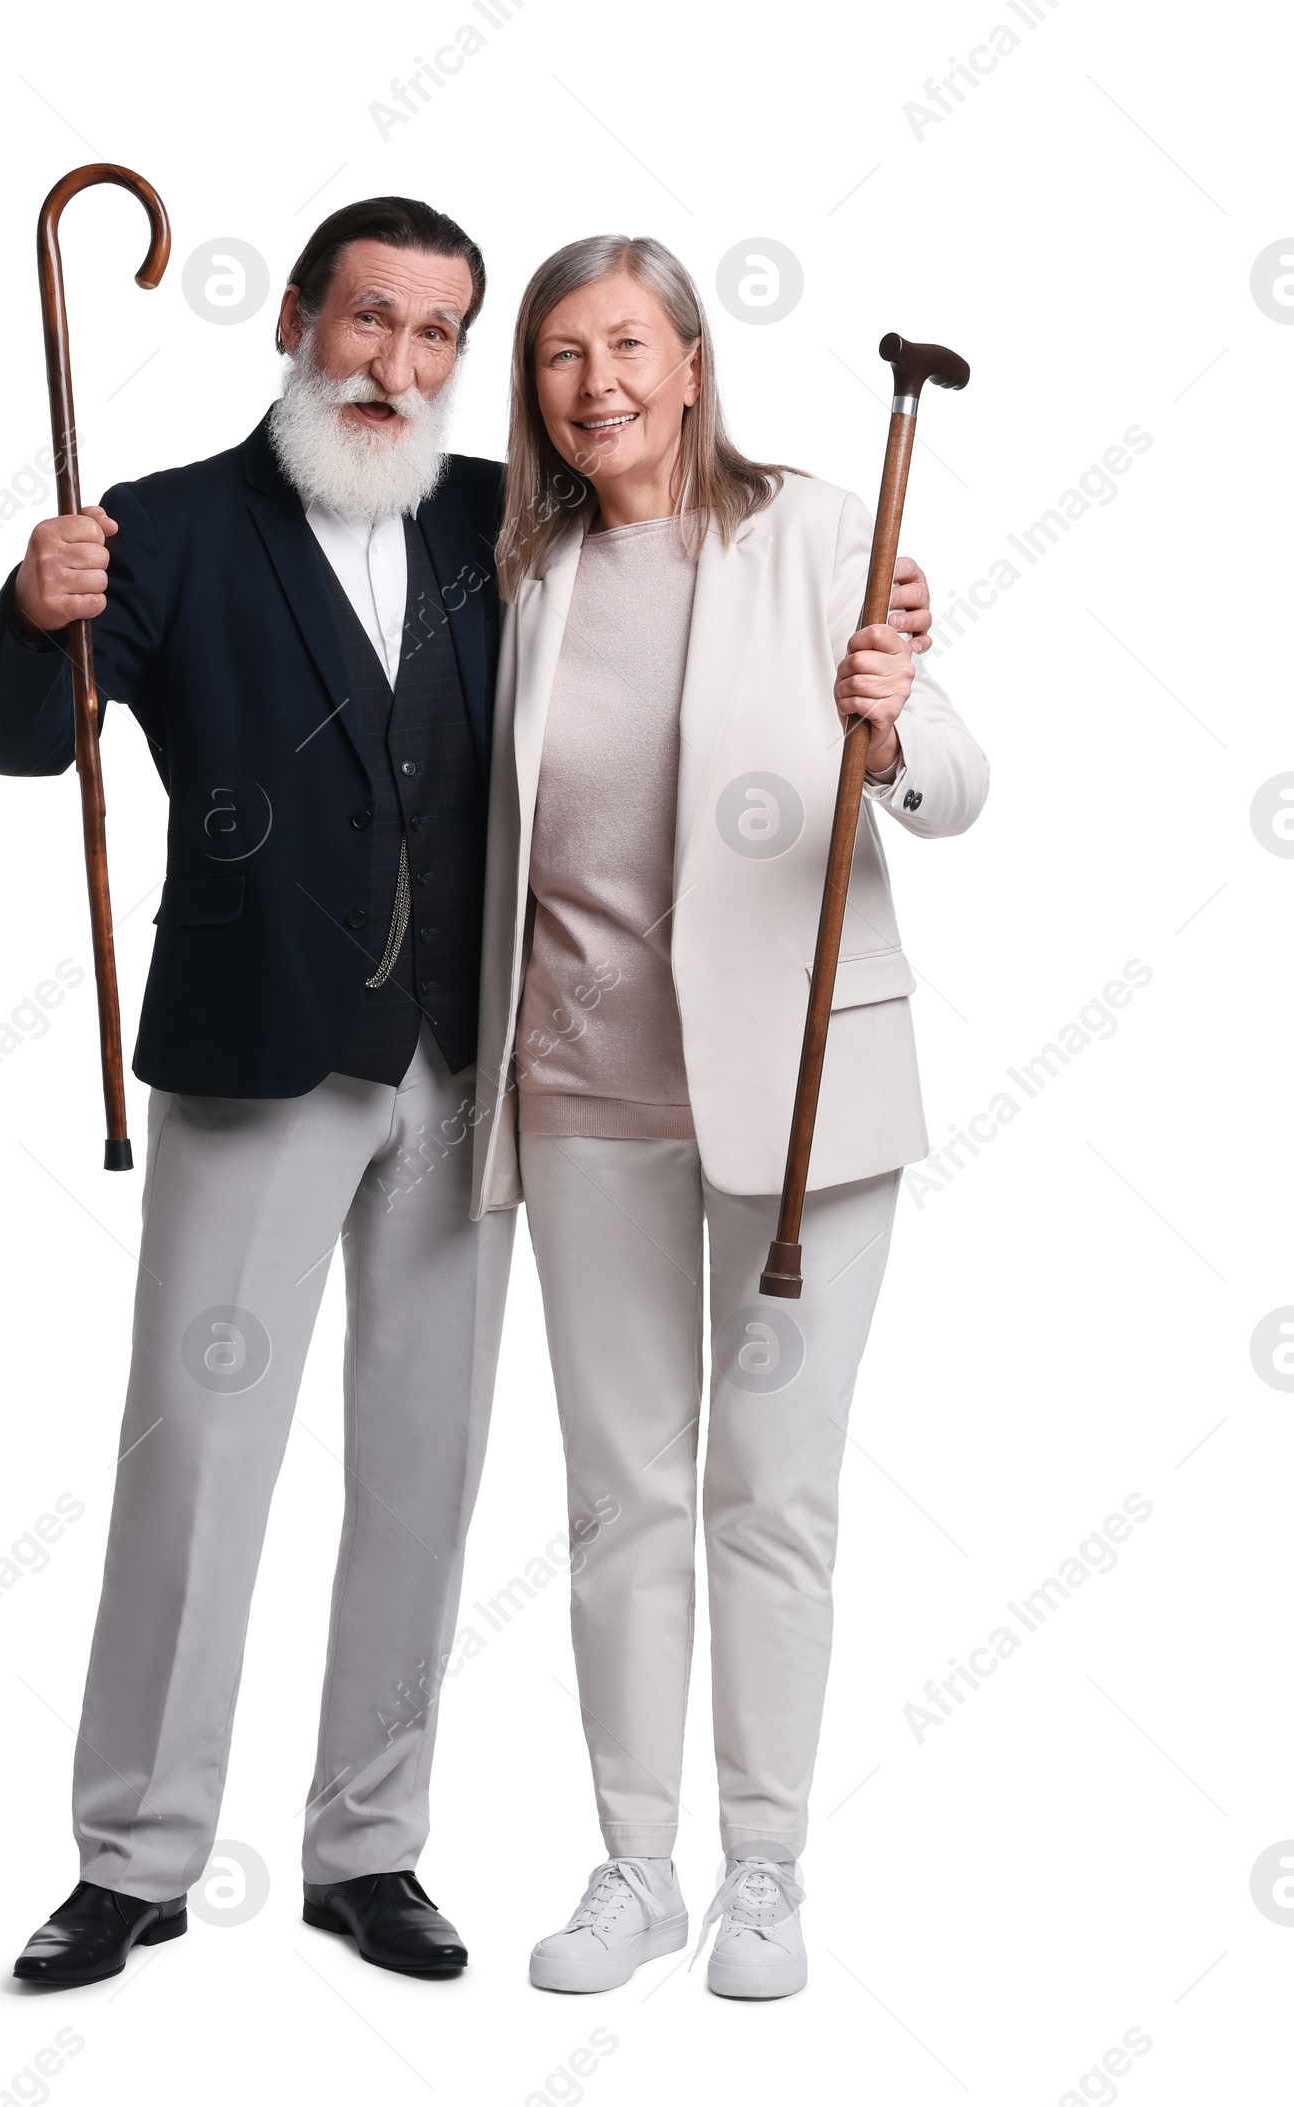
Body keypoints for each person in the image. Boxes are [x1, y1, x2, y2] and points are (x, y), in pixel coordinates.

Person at [0, 193, 938, 1989]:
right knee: (198, 1469)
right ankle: (135, 1855)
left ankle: (369, 1845)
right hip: (257, 1062)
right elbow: (24, 743)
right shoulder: (167, 529)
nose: (400, 365)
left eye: (439, 336)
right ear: (300, 330)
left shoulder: (509, 522)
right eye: (369, 323)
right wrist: (35, 611)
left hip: (478, 1075)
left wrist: (884, 623)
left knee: (425, 1472)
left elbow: (705, 568)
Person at [470, 234, 988, 2000]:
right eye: (557, 354)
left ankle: (763, 1869)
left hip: (808, 1102)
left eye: (627, 343)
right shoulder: (524, 573)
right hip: (590, 1101)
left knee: (771, 1492)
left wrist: (893, 720)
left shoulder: (819, 530)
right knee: (623, 1500)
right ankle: (636, 1866)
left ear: (693, 362)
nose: (594, 381)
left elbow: (960, 789)